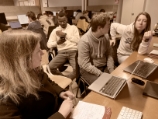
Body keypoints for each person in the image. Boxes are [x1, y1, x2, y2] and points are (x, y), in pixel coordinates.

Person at [0, 30, 74, 119]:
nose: (43, 53)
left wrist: (61, 92)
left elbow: (48, 81)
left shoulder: (34, 69)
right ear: (23, 59)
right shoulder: (4, 98)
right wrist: (61, 114)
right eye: (38, 51)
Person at [78, 13, 115, 85]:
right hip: (89, 70)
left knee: (116, 79)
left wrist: (111, 70)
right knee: (105, 85)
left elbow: (109, 54)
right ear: (100, 28)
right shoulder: (84, 41)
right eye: (108, 24)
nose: (110, 26)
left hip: (104, 67)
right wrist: (102, 74)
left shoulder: (106, 36)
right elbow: (86, 65)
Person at [47, 11, 80, 80]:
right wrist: (57, 43)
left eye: (64, 21)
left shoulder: (73, 28)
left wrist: (65, 35)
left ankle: (66, 80)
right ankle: (64, 79)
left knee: (78, 69)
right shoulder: (55, 30)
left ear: (67, 19)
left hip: (73, 51)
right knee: (50, 68)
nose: (62, 23)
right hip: (61, 53)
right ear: (57, 21)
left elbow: (78, 41)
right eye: (60, 21)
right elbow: (48, 44)